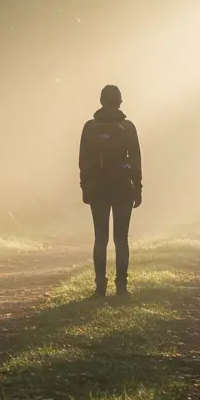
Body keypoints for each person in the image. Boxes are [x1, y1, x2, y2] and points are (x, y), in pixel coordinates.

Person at [78, 84, 142, 298]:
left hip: (98, 189)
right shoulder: (129, 127)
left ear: (101, 101)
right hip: (123, 188)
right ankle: (122, 287)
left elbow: (83, 160)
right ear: (120, 101)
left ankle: (100, 287)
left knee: (100, 238)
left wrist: (85, 187)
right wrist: (138, 187)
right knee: (121, 239)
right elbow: (135, 159)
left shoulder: (89, 127)